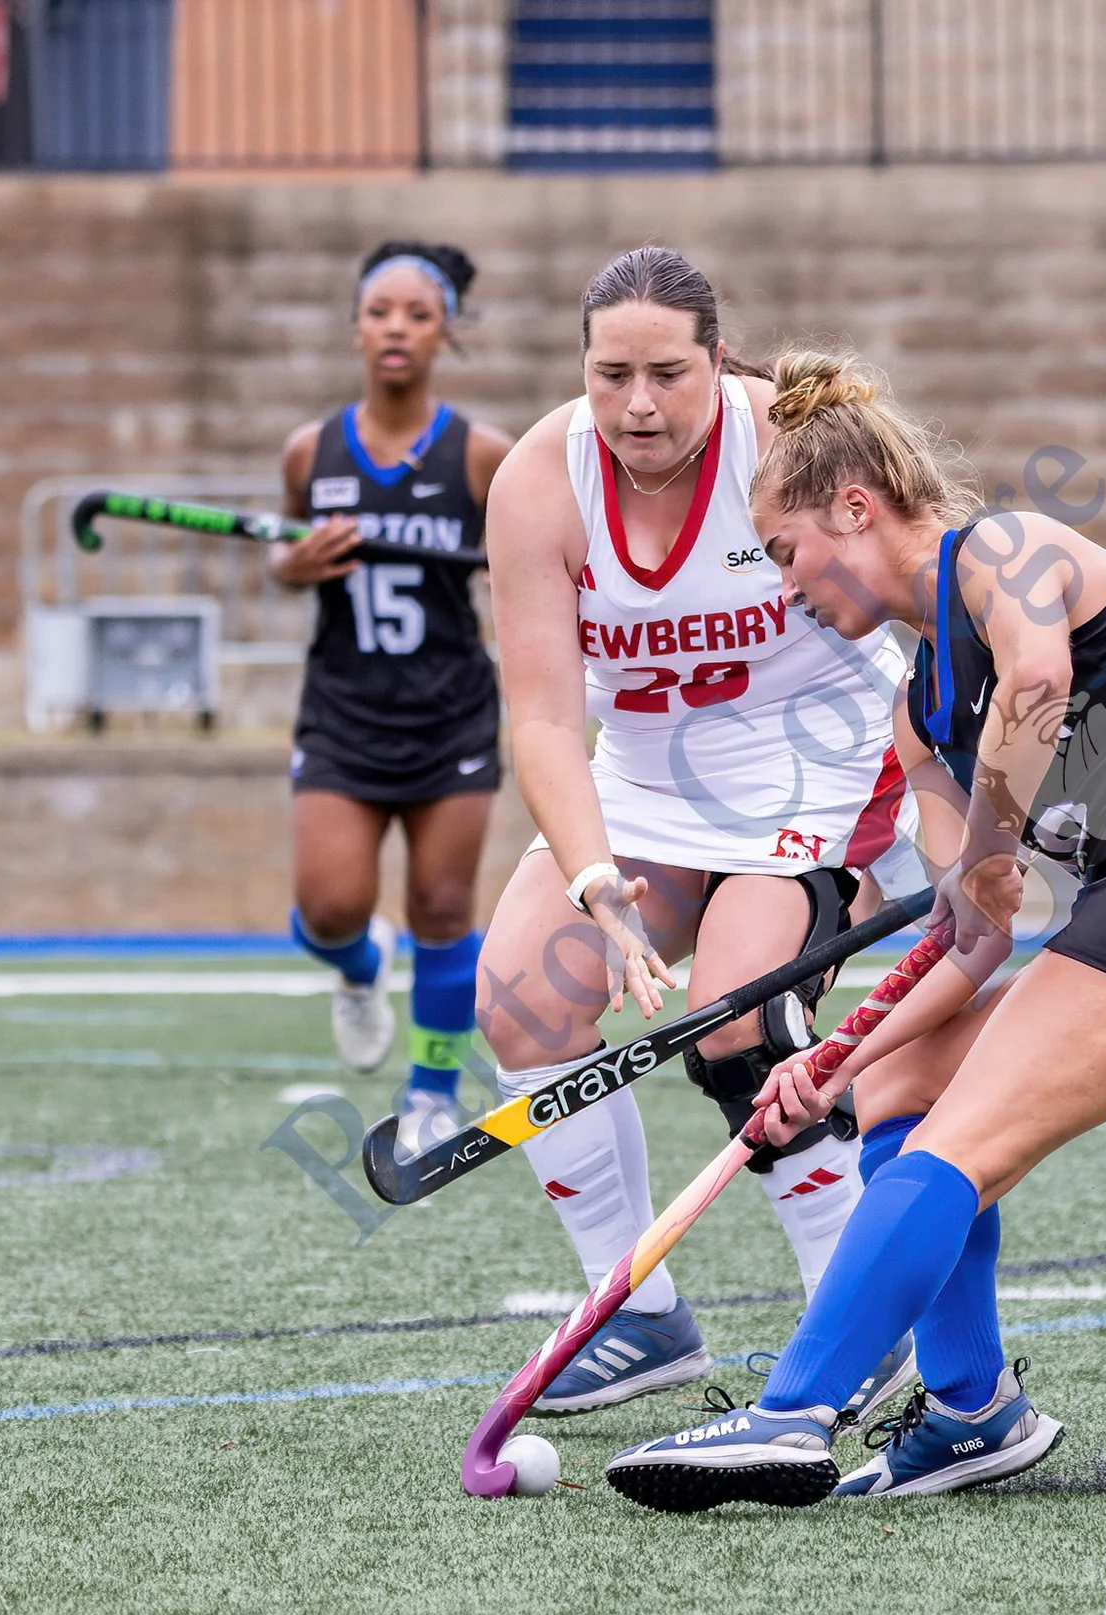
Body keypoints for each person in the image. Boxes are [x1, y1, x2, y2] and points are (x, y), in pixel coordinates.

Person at [604, 349, 1106, 1512]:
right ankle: (970, 1407)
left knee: (968, 1141)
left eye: (785, 551)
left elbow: (1039, 678)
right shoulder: (918, 711)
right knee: (900, 1079)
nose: (783, 585)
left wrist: (990, 838)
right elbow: (972, 933)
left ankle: (796, 1406)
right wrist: (835, 1051)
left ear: (854, 508)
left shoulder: (1006, 551)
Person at [474, 249, 923, 1419]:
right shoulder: (538, 480)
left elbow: (931, 580)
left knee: (734, 1023)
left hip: (820, 762)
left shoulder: (796, 442)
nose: (637, 405)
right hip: (652, 784)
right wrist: (594, 887)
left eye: (667, 374)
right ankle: (635, 1314)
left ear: (714, 361)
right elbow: (541, 716)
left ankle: (855, 1321)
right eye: (610, 373)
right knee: (522, 994)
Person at [271, 241, 513, 1140]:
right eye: (380, 312)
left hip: (450, 709)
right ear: (356, 325)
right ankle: (358, 964)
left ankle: (432, 1096)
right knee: (330, 905)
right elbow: (283, 559)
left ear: (445, 329)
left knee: (444, 909)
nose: (397, 329)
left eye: (417, 313)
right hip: (343, 709)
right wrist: (289, 565)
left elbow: (533, 562)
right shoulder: (311, 453)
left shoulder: (483, 456)